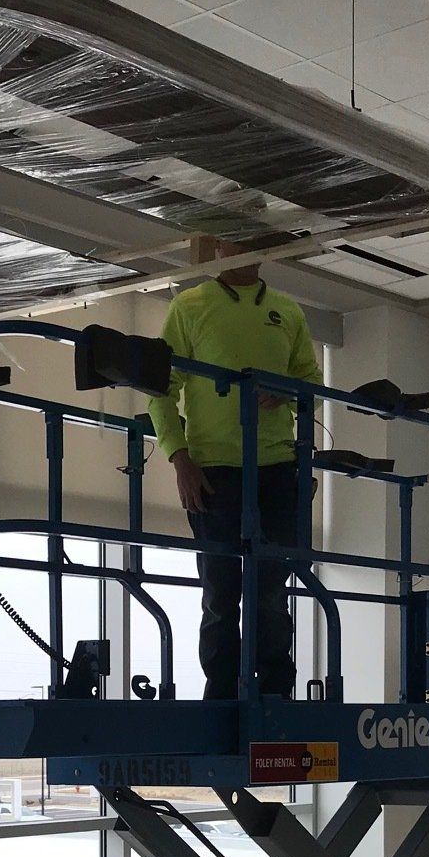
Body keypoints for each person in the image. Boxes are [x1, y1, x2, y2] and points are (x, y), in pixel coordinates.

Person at [145, 238, 321, 700]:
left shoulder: (288, 310)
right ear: (218, 248)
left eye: (251, 239)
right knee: (221, 592)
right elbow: (160, 388)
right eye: (233, 239)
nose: (243, 248)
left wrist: (285, 390)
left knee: (270, 588)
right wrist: (179, 459)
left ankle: (276, 691)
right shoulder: (190, 306)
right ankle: (221, 694)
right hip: (215, 469)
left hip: (279, 467)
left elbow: (311, 381)